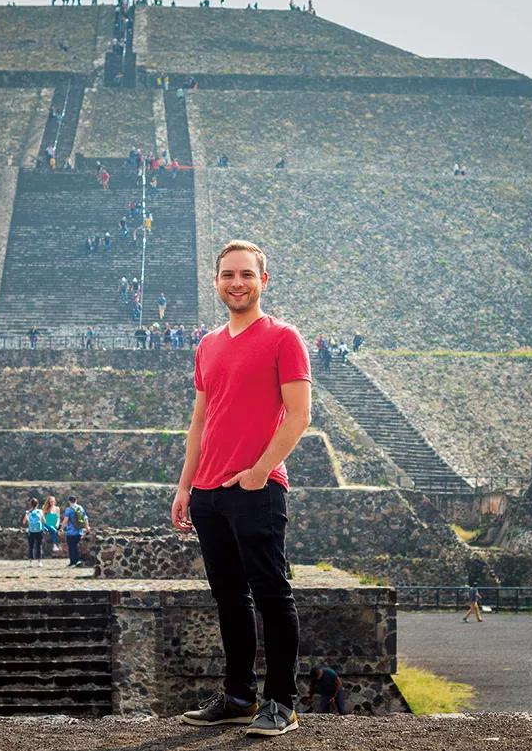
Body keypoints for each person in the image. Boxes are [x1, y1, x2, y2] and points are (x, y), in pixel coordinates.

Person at [172, 240, 312, 737]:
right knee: (229, 598)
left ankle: (282, 702)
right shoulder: (207, 344)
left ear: (263, 280)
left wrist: (258, 471)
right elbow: (199, 423)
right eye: (228, 275)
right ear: (216, 282)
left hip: (256, 488)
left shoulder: (283, 338)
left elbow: (299, 416)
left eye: (246, 275)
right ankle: (237, 697)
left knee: (272, 595)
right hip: (209, 493)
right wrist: (186, 485)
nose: (237, 283)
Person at [60, 495, 90, 567]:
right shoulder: (80, 508)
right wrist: (87, 527)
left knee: (71, 547)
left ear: (69, 501)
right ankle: (78, 561)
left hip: (71, 532)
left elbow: (66, 520)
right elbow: (85, 518)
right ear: (76, 500)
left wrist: (61, 528)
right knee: (76, 546)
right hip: (79, 531)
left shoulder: (69, 509)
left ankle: (73, 562)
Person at [21, 497, 46, 568]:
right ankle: (39, 562)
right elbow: (44, 521)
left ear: (30, 504)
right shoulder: (40, 511)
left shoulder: (28, 512)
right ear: (37, 504)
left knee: (31, 546)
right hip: (39, 531)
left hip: (31, 531)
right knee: (39, 546)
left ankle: (30, 562)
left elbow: (24, 522)